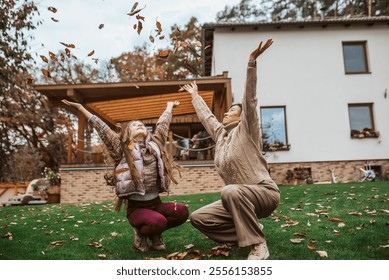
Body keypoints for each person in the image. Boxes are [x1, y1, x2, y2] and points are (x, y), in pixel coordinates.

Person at [182, 39, 280, 260]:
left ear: (241, 116)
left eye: (232, 110)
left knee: (230, 190)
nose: (226, 113)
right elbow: (208, 119)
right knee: (199, 217)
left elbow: (250, 100)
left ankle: (258, 245)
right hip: (236, 198)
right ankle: (248, 232)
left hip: (263, 193)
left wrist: (251, 63)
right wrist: (195, 96)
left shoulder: (248, 130)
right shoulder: (222, 136)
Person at [61, 99, 189, 253]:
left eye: (141, 124)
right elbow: (103, 129)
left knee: (182, 212)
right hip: (136, 209)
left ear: (148, 131)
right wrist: (81, 108)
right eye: (134, 125)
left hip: (156, 204)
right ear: (128, 133)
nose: (139, 125)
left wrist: (169, 106)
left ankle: (154, 232)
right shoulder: (121, 149)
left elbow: (163, 124)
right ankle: (142, 233)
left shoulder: (156, 144)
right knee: (159, 222)